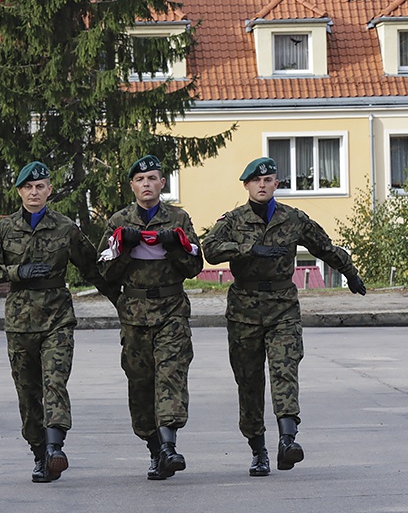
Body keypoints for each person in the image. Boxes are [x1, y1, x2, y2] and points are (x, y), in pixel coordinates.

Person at [202, 157, 366, 477]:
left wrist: (350, 272)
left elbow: (324, 247)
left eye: (269, 180)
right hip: (244, 310)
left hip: (282, 306)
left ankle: (288, 441)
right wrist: (249, 248)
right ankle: (258, 449)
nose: (262, 185)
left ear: (276, 184)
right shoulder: (233, 220)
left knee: (284, 370)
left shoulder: (292, 219)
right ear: (246, 185)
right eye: (256, 181)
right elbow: (211, 249)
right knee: (249, 382)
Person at [0, 161, 119, 483]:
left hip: (57, 318)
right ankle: (39, 453)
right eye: (28, 187)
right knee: (28, 394)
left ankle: (56, 449)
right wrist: (16, 272)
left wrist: (121, 300)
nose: (34, 192)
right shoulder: (6, 229)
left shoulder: (66, 228)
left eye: (40, 186)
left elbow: (92, 268)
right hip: (20, 321)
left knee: (55, 382)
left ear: (50, 190)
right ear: (20, 191)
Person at [97, 155, 203, 480]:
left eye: (152, 178)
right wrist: (124, 247)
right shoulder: (119, 220)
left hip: (171, 310)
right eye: (140, 179)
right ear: (132, 185)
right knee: (141, 386)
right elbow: (104, 269)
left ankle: (170, 446)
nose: (146, 184)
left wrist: (175, 247)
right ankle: (156, 448)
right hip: (134, 316)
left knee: (171, 375)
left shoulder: (178, 218)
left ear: (162, 184)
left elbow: (195, 266)